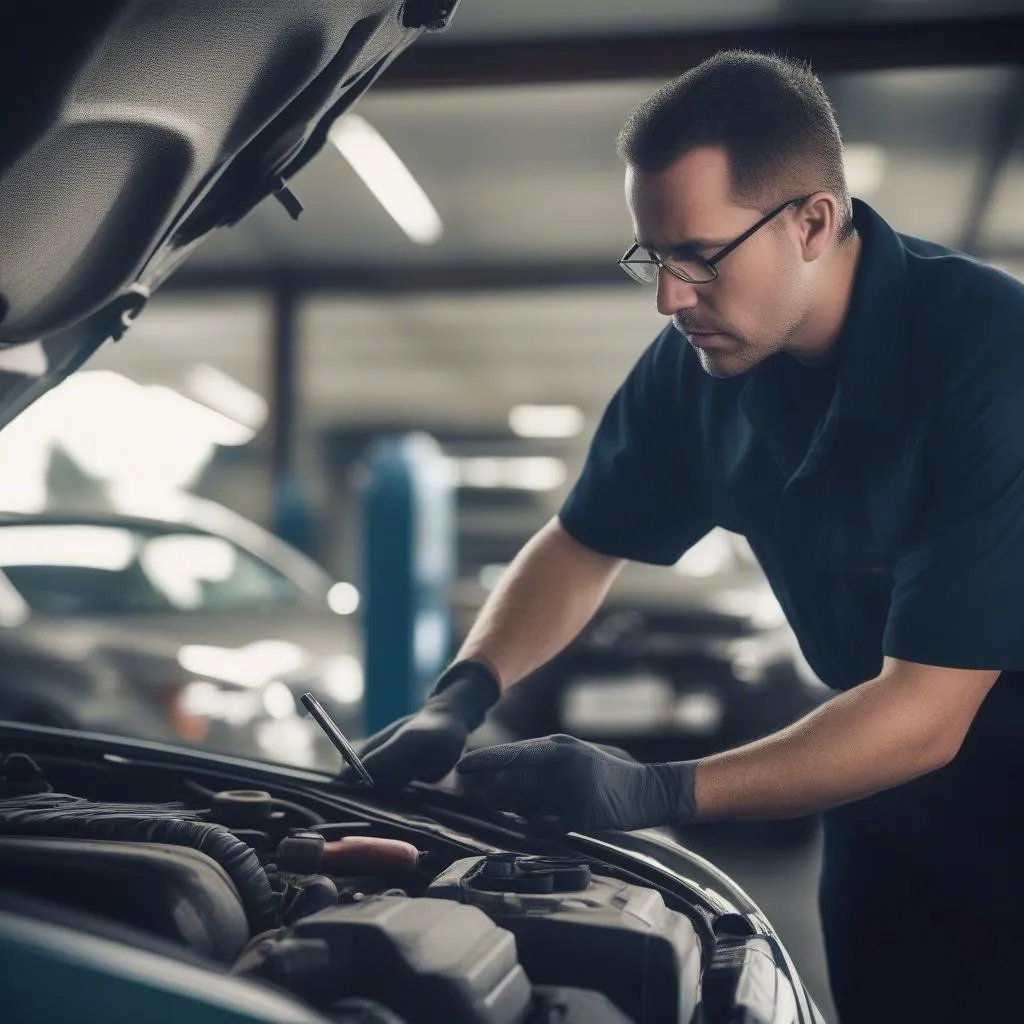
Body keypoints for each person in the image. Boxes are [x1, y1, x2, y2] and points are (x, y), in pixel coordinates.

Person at [347, 51, 1024, 1023]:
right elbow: (580, 545)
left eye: (699, 254)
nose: (669, 297)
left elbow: (926, 713)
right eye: (652, 257)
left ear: (812, 222)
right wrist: (463, 691)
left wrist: (655, 789)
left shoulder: (984, 354)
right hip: (880, 808)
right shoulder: (697, 371)